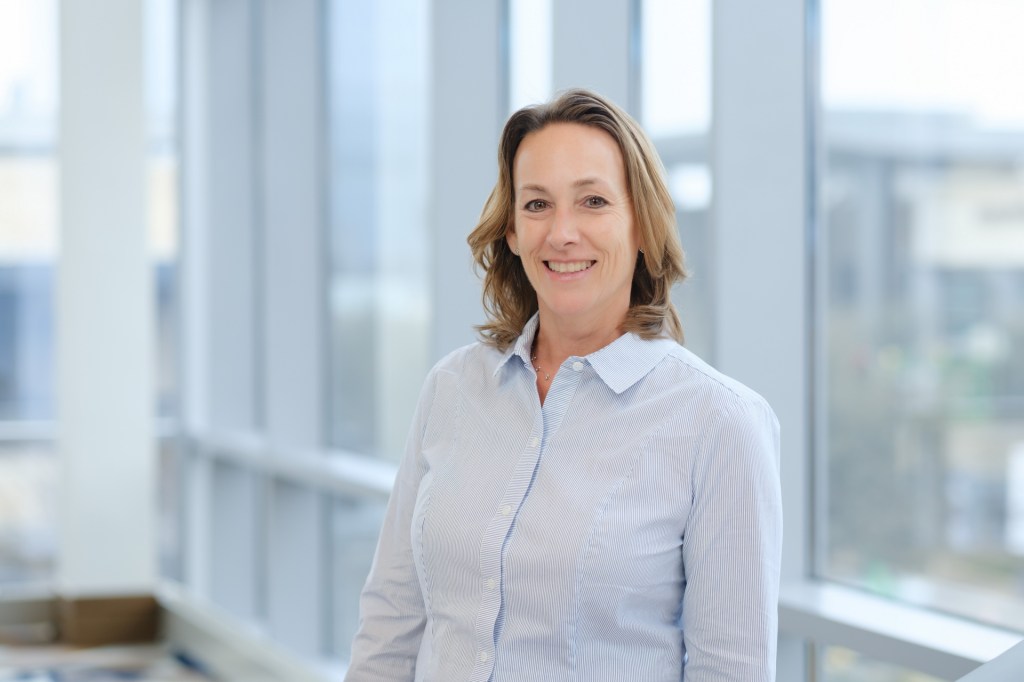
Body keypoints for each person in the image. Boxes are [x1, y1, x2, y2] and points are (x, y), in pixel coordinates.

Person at [344, 88, 783, 681]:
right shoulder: (452, 388)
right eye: (537, 205)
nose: (562, 233)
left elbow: (729, 672)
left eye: (594, 201)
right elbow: (392, 620)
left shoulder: (719, 422)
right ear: (512, 232)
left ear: (643, 228)